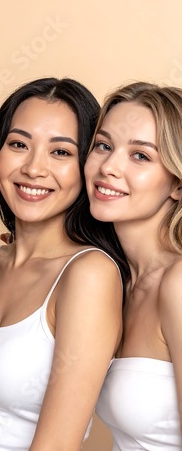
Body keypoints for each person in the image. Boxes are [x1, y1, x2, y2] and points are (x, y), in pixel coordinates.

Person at [0, 77, 130, 450]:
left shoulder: (89, 275)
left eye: (61, 152)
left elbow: (58, 445)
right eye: (18, 144)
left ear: (86, 165)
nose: (34, 168)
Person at [85, 81, 182, 450]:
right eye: (104, 146)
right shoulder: (116, 282)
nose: (108, 167)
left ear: (177, 183)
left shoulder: (177, 283)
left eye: (140, 155)